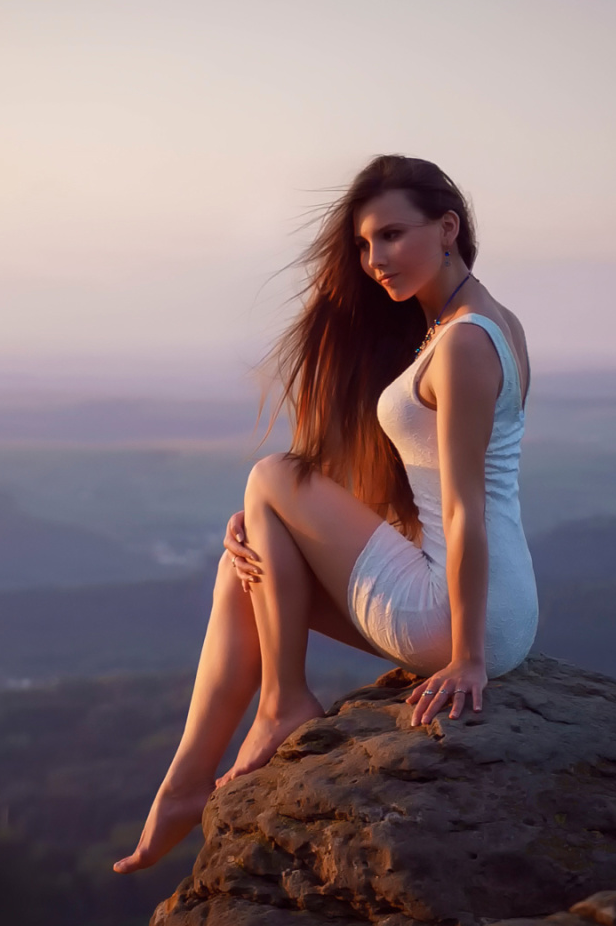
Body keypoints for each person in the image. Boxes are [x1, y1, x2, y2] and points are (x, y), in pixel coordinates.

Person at [113, 154, 538, 874]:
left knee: (270, 474)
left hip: (462, 613)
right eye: (366, 245)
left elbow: (464, 509)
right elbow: (426, 485)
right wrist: (270, 523)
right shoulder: (480, 324)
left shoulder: (464, 341)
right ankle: (186, 785)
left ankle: (281, 704)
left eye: (392, 236)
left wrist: (468, 660)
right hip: (493, 605)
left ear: (448, 227)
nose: (376, 260)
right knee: (245, 560)